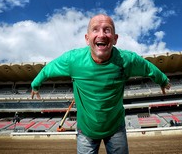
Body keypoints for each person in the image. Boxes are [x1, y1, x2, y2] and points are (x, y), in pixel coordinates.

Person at [31, 14, 171, 154]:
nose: (101, 34)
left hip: (115, 128)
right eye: (95, 29)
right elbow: (48, 69)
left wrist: (163, 80)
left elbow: (147, 68)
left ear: (115, 39)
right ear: (87, 39)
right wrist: (35, 85)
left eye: (107, 30)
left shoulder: (127, 60)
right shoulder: (72, 60)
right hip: (86, 131)